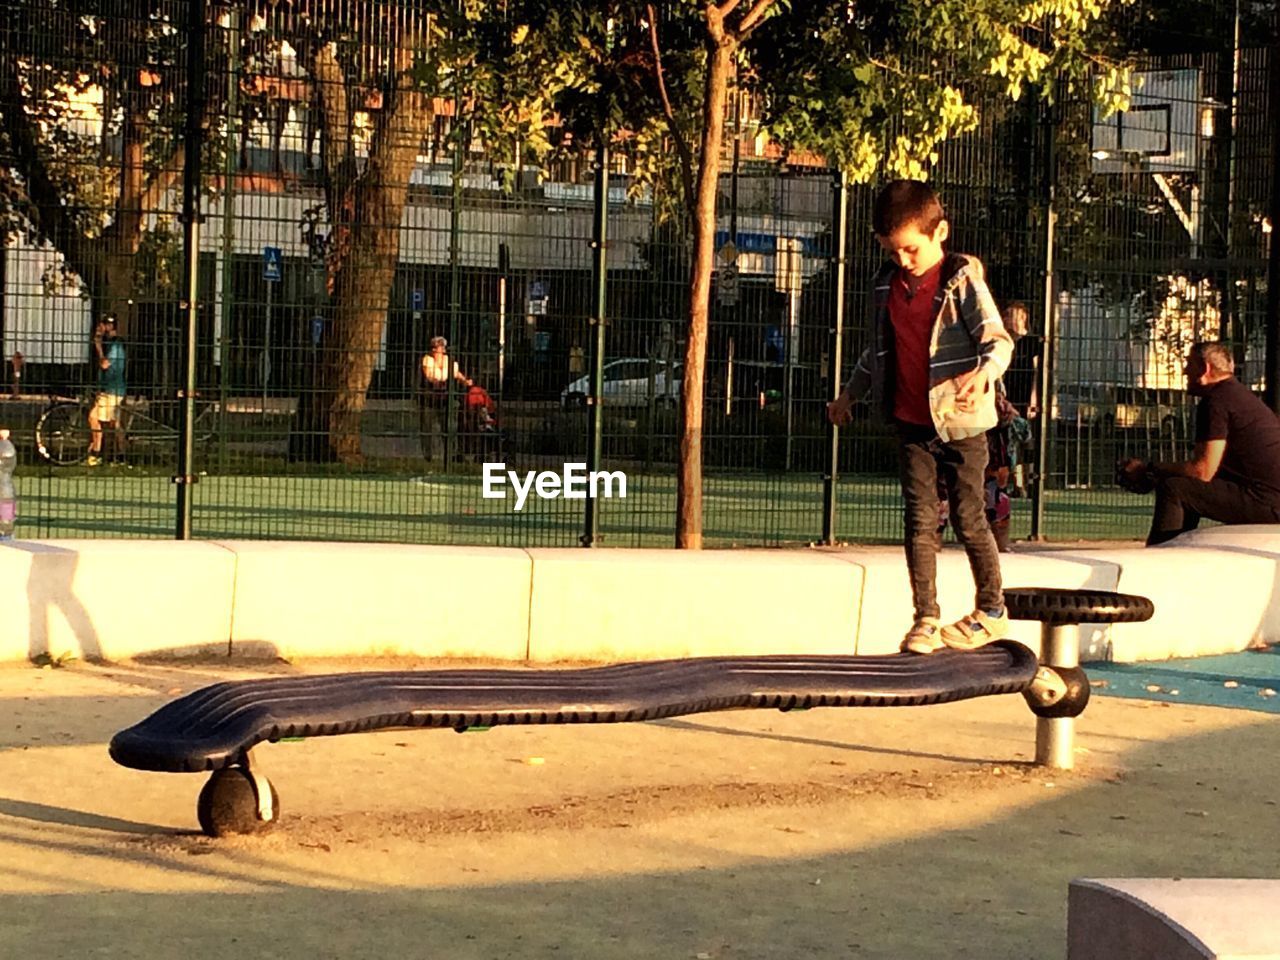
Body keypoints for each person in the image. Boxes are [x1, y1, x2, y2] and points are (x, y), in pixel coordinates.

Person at [827, 180, 1014, 655]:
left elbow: (998, 340)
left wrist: (984, 374)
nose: (904, 260)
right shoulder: (885, 285)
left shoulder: (962, 282)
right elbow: (879, 350)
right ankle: (926, 617)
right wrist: (850, 394)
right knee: (919, 520)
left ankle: (991, 610)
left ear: (940, 232)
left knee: (971, 516)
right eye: (894, 251)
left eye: (911, 249)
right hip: (911, 421)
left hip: (961, 421)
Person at [1119, 341, 1280, 545]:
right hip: (1270, 498)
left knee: (1175, 489)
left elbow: (1202, 471)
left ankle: (1160, 560)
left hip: (1267, 503)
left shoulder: (1216, 402)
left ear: (1205, 369)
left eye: (1189, 364)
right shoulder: (1239, 396)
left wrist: (1150, 470)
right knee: (1182, 486)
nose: (1185, 371)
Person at [419, 336, 472, 463]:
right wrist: (440, 377)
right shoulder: (428, 360)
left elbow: (455, 373)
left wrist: (465, 381)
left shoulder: (449, 361)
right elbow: (431, 377)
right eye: (438, 347)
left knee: (448, 427)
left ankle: (451, 455)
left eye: (442, 347)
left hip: (444, 398)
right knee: (427, 428)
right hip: (429, 398)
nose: (441, 350)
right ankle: (427, 456)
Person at [87, 314, 126, 467]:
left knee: (93, 418)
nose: (100, 329)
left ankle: (96, 453)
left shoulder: (115, 345)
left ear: (109, 326)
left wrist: (98, 347)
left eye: (102, 325)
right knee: (114, 423)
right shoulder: (112, 343)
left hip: (112, 389)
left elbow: (105, 364)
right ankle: (121, 456)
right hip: (111, 388)